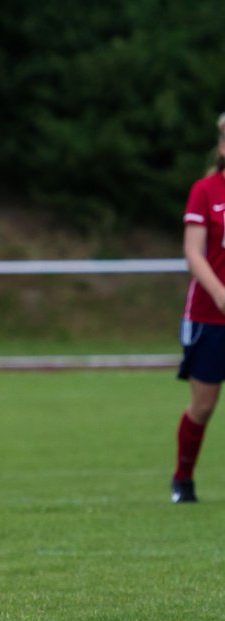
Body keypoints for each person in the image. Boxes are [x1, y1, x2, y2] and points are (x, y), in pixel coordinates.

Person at [173, 112, 225, 504]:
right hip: (210, 315)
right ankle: (183, 478)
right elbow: (194, 251)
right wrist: (220, 293)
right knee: (204, 406)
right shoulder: (205, 190)